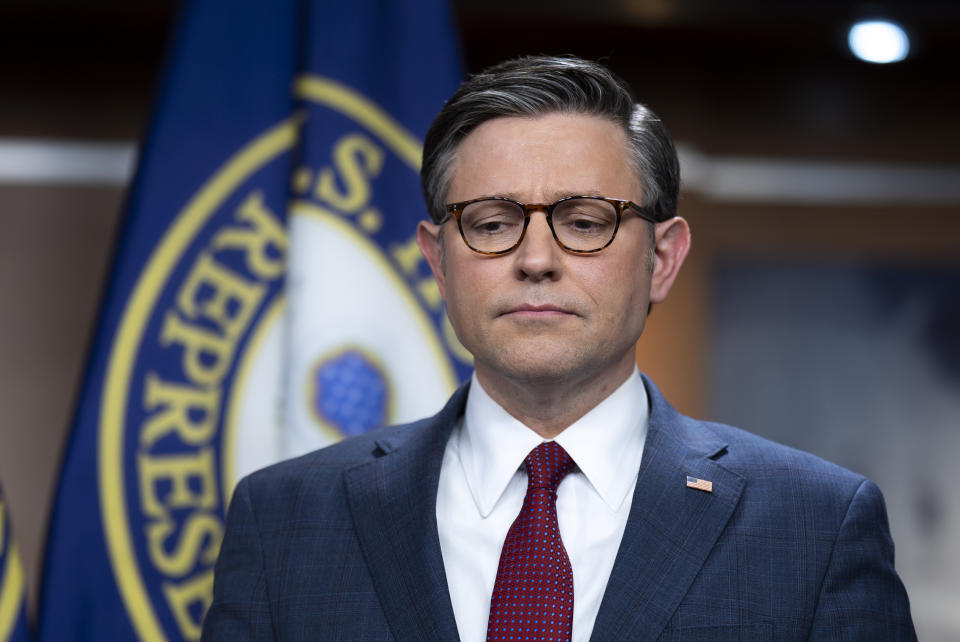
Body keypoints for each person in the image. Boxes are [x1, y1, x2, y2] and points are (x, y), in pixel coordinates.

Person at [202, 56, 915, 641]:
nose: (536, 259)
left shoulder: (813, 527)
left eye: (583, 220)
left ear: (662, 259)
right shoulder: (287, 520)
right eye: (490, 221)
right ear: (437, 260)